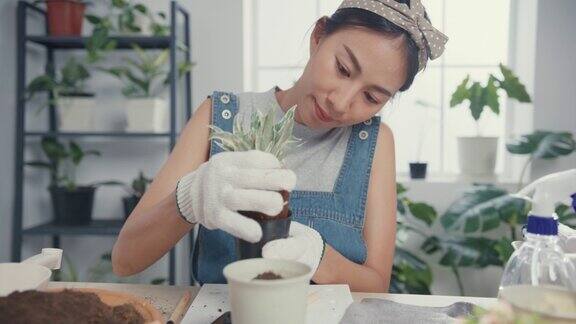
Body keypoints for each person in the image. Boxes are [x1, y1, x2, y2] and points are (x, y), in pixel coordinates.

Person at [112, 0, 447, 293]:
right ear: (318, 38)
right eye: (343, 69)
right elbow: (125, 260)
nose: (342, 103)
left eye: (372, 97)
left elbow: (377, 284)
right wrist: (188, 199)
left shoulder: (374, 142)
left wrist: (320, 258)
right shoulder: (221, 115)